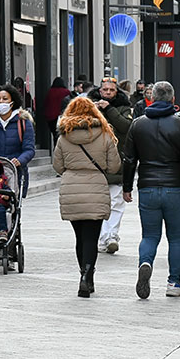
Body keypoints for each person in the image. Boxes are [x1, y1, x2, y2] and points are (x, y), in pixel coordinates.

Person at [123, 81, 180, 299]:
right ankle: (174, 283)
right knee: (176, 237)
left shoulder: (138, 124)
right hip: (175, 187)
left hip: (148, 187)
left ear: (152, 97)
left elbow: (129, 159)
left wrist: (126, 187)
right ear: (173, 99)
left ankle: (146, 262)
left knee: (149, 235)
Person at [54, 96, 122, 298]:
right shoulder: (104, 135)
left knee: (79, 237)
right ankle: (88, 276)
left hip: (72, 188)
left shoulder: (64, 137)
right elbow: (114, 166)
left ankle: (83, 275)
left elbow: (57, 166)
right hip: (96, 187)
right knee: (92, 237)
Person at [87, 77, 132, 254]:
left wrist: (110, 110)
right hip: (93, 163)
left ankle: (112, 236)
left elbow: (126, 127)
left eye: (111, 90)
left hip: (116, 162)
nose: (107, 93)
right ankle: (101, 237)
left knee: (116, 203)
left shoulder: (123, 107)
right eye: (105, 90)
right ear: (100, 91)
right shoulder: (89, 106)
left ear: (116, 92)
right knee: (97, 204)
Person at [44, 77, 72, 148]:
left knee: (54, 134)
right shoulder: (66, 92)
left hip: (50, 117)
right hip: (62, 116)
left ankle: (56, 148)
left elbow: (46, 103)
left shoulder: (50, 91)